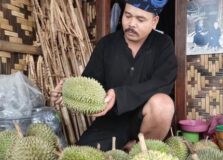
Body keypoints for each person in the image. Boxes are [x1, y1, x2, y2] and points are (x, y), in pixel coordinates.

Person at [51, 0, 177, 151]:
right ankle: (123, 148)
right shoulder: (106, 45)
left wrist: (119, 95)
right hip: (111, 122)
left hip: (145, 118)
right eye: (127, 16)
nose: (131, 24)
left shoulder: (163, 44)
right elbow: (89, 82)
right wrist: (67, 91)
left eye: (140, 19)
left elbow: (163, 83)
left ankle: (138, 150)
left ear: (154, 21)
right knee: (81, 159)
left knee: (163, 104)